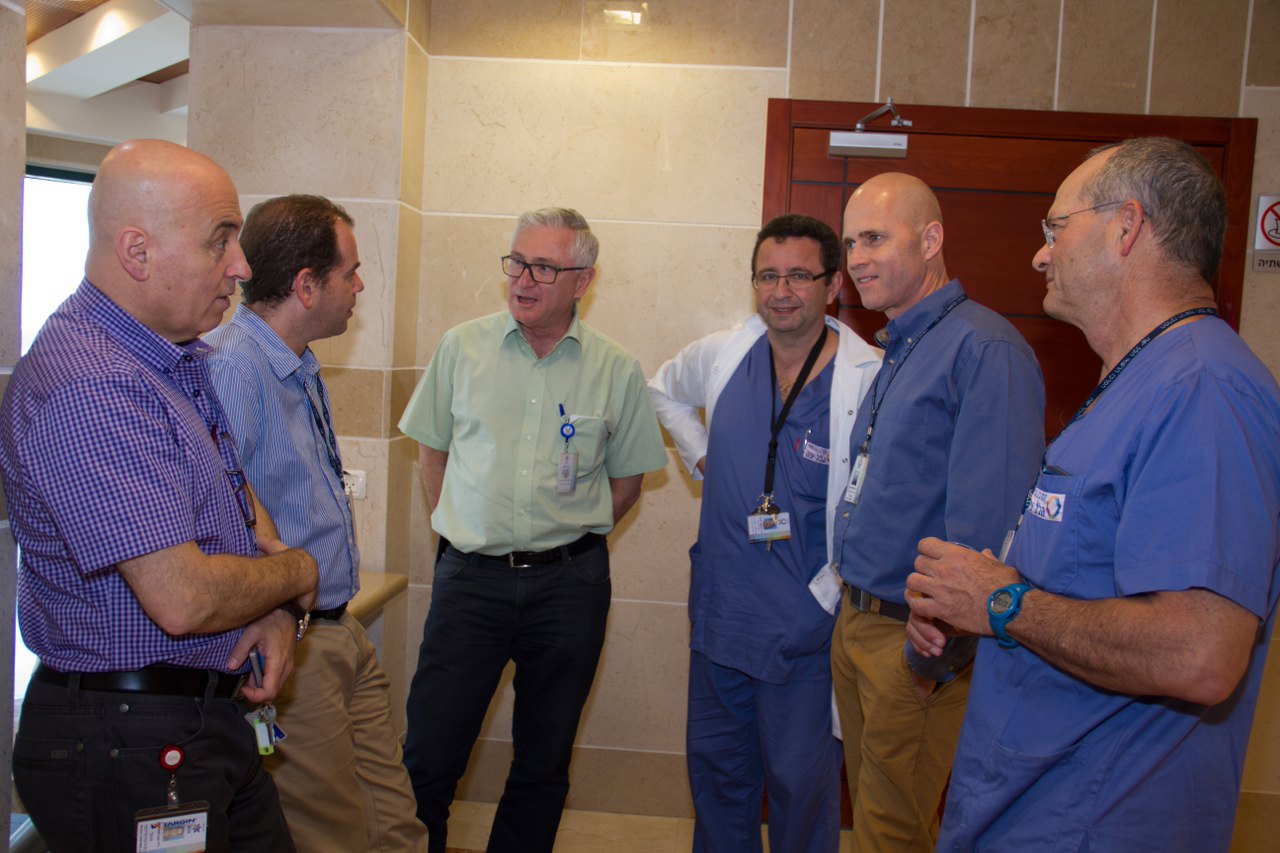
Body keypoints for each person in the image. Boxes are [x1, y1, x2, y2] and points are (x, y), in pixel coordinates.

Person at [907, 137, 1280, 852]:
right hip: (1028, 805)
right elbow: (1085, 578)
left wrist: (1003, 603)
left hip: (1093, 821)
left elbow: (1200, 652)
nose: (1040, 254)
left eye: (1056, 228)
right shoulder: (1137, 375)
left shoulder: (1204, 390)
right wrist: (976, 601)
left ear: (1126, 226)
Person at [0, 139, 318, 852]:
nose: (241, 266)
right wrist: (298, 573)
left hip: (195, 719)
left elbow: (232, 494)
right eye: (220, 240)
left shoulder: (167, 358)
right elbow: (183, 598)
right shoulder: (94, 384)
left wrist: (271, 607)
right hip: (128, 735)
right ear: (137, 252)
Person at [398, 207, 668, 853]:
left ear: (583, 281)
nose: (522, 278)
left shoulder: (616, 368)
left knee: (543, 761)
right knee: (429, 753)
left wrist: (567, 538)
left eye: (544, 267)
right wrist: (464, 530)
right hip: (471, 581)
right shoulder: (461, 347)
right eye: (516, 262)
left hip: (569, 587)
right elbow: (433, 453)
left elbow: (627, 481)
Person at [649, 214, 882, 852]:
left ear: (833, 285)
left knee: (801, 791)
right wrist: (704, 456)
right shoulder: (726, 354)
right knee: (718, 781)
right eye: (768, 276)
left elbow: (880, 503)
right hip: (723, 615)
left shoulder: (869, 378)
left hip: (804, 629)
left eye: (799, 276)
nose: (781, 291)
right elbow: (662, 390)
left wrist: (825, 599)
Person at [204, 194, 429, 852]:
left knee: (396, 827)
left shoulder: (297, 363)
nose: (359, 287)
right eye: (349, 273)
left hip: (337, 628)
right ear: (306, 286)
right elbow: (221, 522)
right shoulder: (231, 369)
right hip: (288, 644)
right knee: (332, 837)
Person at [830, 172, 1045, 851]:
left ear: (931, 240)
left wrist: (939, 651)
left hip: (916, 641)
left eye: (874, 238)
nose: (857, 258)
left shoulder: (984, 348)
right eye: (850, 243)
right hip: (859, 622)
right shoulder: (904, 344)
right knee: (873, 820)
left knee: (891, 832)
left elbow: (989, 527)